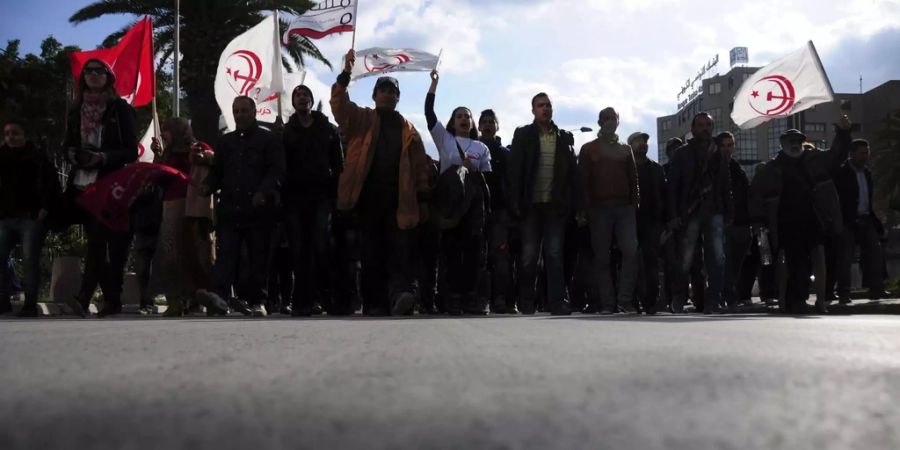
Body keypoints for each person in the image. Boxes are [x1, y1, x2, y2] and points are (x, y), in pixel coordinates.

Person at [330, 49, 431, 316]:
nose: (387, 94)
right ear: (374, 96)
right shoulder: (361, 118)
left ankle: (401, 298)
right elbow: (339, 107)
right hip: (366, 198)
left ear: (398, 97)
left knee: (400, 253)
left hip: (400, 200)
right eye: (382, 89)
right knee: (371, 252)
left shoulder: (410, 130)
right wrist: (344, 77)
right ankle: (374, 303)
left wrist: (423, 199)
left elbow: (420, 168)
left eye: (392, 91)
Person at [750, 115, 852, 314]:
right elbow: (756, 196)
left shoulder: (815, 159)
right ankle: (791, 299)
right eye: (791, 141)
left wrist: (843, 132)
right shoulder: (771, 169)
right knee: (789, 261)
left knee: (820, 257)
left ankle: (821, 300)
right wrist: (758, 222)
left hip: (813, 219)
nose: (795, 144)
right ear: (782, 144)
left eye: (798, 141)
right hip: (783, 222)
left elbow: (837, 156)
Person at [63, 59, 138, 318]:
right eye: (89, 71)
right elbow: (67, 144)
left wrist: (103, 157)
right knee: (97, 244)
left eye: (100, 71)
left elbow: (130, 150)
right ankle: (109, 301)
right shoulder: (76, 110)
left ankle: (85, 297)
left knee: (102, 242)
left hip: (110, 183)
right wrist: (72, 155)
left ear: (109, 77)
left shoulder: (120, 109)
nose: (93, 75)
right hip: (82, 183)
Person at [200, 96, 285, 317]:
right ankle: (220, 299)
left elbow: (276, 171)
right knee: (226, 255)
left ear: (254, 111)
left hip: (258, 212)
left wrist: (264, 192)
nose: (240, 115)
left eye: (244, 111)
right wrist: (207, 185)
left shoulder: (269, 140)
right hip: (230, 209)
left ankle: (258, 301)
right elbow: (217, 173)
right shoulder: (225, 142)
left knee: (258, 257)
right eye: (236, 111)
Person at [425, 69, 492, 315]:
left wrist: (474, 169)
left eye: (467, 116)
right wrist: (434, 85)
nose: (464, 119)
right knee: (451, 251)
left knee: (474, 253)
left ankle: (471, 297)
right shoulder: (444, 139)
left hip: (474, 207)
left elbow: (488, 179)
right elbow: (429, 114)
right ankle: (450, 298)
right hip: (451, 204)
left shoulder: (481, 146)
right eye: (459, 116)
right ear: (453, 122)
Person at [508, 92, 581, 315]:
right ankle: (526, 301)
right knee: (529, 256)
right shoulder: (523, 134)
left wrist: (573, 205)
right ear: (533, 110)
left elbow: (572, 175)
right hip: (530, 205)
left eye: (548, 105)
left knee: (554, 255)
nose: (545, 109)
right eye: (541, 106)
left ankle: (556, 302)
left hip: (555, 206)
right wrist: (515, 202)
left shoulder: (564, 137)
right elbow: (515, 171)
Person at [281, 84, 344, 316]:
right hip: (295, 198)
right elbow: (281, 166)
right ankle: (302, 301)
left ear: (311, 100)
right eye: (297, 94)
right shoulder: (287, 131)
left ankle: (325, 299)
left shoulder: (327, 128)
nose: (301, 97)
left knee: (321, 245)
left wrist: (336, 195)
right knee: (299, 250)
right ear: (293, 102)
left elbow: (338, 164)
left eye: (305, 94)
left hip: (322, 196)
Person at [667, 112, 732, 314]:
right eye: (701, 125)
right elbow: (674, 187)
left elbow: (725, 184)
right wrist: (674, 214)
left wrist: (729, 211)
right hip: (690, 211)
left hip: (714, 211)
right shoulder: (681, 154)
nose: (705, 128)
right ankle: (678, 298)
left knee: (717, 258)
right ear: (693, 129)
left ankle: (713, 301)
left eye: (708, 125)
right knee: (685, 259)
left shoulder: (718, 153)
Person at [579, 108, 639, 315]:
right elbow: (583, 182)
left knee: (631, 252)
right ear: (599, 122)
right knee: (602, 258)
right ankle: (607, 303)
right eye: (606, 118)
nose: (610, 121)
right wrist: (584, 210)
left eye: (614, 118)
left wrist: (634, 204)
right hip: (599, 209)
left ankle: (624, 300)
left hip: (624, 209)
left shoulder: (625, 149)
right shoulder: (589, 149)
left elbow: (633, 179)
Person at [0, 121, 60, 317]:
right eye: (7, 133)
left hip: (30, 217)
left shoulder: (37, 156)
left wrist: (45, 208)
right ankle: (3, 301)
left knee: (29, 260)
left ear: (24, 134)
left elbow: (51, 183)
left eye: (15, 133)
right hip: (5, 217)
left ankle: (30, 304)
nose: (11, 137)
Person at [834, 139, 885, 301]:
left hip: (866, 218)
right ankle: (843, 292)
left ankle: (876, 289)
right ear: (852, 154)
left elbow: (867, 199)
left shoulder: (867, 173)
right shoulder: (842, 173)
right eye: (862, 153)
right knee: (845, 258)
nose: (866, 156)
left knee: (874, 254)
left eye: (867, 152)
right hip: (848, 221)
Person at [479, 109, 516, 314]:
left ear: (497, 125)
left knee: (501, 257)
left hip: (501, 212)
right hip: (476, 211)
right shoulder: (472, 149)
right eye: (483, 122)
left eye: (491, 121)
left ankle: (502, 298)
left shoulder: (505, 154)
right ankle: (480, 298)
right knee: (478, 257)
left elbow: (512, 184)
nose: (487, 125)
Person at [629, 131, 667, 314]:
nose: (642, 144)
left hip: (652, 221)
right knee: (630, 261)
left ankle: (651, 301)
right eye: (638, 141)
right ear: (630, 145)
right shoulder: (626, 168)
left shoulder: (656, 168)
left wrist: (665, 220)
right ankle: (632, 299)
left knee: (651, 262)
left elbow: (663, 194)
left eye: (644, 140)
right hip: (629, 220)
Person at [717, 132, 751, 311]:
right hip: (723, 222)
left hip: (741, 222)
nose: (727, 149)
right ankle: (727, 296)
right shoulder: (714, 167)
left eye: (730, 145)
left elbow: (745, 195)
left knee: (736, 262)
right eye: (724, 145)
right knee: (726, 262)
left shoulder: (737, 168)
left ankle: (729, 294)